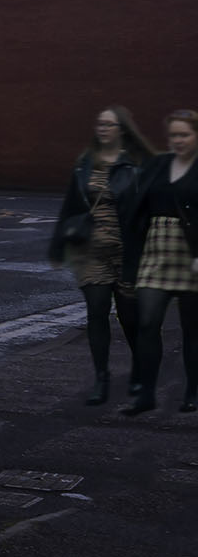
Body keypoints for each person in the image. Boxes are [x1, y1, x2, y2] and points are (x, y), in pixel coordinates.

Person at [50, 105, 148, 406]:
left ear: (122, 130)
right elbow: (70, 206)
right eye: (100, 124)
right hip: (90, 252)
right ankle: (101, 379)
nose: (102, 129)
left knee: (130, 318)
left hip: (126, 251)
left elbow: (146, 212)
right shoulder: (84, 164)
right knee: (97, 311)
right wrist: (57, 246)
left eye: (109, 124)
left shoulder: (134, 165)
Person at [123, 108, 198, 415]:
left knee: (192, 330)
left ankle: (193, 391)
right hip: (155, 249)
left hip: (191, 254)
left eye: (185, 134)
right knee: (147, 323)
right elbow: (135, 206)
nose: (178, 140)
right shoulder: (157, 164)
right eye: (173, 135)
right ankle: (146, 394)